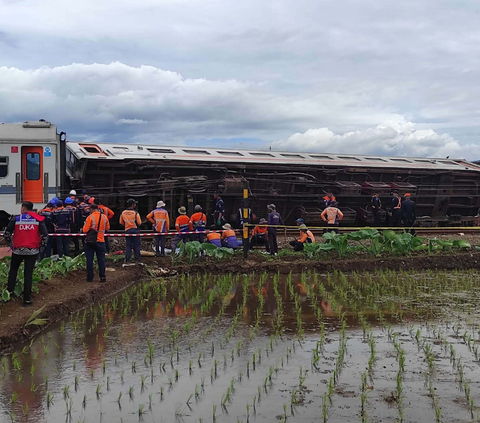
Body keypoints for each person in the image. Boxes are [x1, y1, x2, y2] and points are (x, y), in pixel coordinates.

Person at [3, 201, 48, 305]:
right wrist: (40, 248)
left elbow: (7, 234)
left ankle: (9, 293)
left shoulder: (16, 219)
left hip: (18, 250)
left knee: (13, 270)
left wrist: (11, 245)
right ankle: (27, 299)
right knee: (28, 274)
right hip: (32, 251)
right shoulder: (38, 219)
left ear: (23, 208)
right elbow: (45, 236)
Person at [82, 203, 109, 282]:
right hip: (101, 241)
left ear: (91, 209)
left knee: (89, 259)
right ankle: (102, 276)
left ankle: (90, 277)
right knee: (101, 259)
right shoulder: (104, 217)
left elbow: (85, 230)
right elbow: (107, 228)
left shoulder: (90, 217)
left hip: (90, 241)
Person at [119, 198, 142, 264]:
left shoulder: (123, 212)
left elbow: (121, 222)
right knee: (136, 245)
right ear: (132, 205)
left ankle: (127, 259)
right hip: (135, 230)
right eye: (134, 204)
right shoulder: (135, 213)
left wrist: (126, 224)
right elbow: (139, 223)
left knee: (128, 245)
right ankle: (137, 259)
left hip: (127, 230)